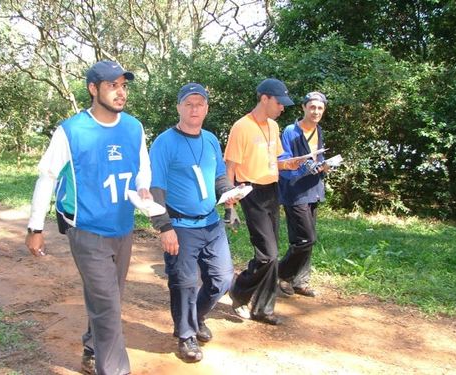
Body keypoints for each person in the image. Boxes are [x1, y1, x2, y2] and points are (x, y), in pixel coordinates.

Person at [25, 60, 152, 375]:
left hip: (122, 227)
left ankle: (93, 348)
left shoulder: (134, 127)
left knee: (110, 299)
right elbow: (47, 177)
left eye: (123, 85)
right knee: (108, 307)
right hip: (87, 230)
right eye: (112, 85)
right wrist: (35, 227)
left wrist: (144, 190)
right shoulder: (71, 131)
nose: (120, 92)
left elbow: (142, 167)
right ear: (93, 89)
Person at [149, 83, 237, 362]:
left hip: (211, 224)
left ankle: (196, 316)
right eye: (189, 104)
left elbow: (219, 176)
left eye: (200, 104)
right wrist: (164, 227)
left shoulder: (211, 139)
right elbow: (155, 188)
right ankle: (186, 335)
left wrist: (228, 193)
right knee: (183, 282)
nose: (195, 109)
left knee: (222, 278)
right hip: (181, 225)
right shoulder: (164, 142)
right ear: (179, 108)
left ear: (207, 109)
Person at [223, 78, 300, 325]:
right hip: (250, 191)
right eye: (279, 102)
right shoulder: (241, 127)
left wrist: (292, 163)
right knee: (268, 255)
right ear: (264, 98)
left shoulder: (273, 127)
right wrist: (230, 204)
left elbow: (276, 159)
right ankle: (239, 289)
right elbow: (231, 166)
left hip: (272, 190)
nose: (282, 108)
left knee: (271, 254)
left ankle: (263, 309)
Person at [278, 91, 331, 298]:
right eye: (312, 107)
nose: (316, 111)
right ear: (304, 108)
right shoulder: (291, 131)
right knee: (306, 238)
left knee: (302, 239)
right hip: (294, 191)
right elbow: (285, 162)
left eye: (320, 108)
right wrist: (306, 168)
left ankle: (299, 281)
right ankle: (281, 274)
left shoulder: (319, 130)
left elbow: (319, 156)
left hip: (313, 189)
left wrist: (324, 166)